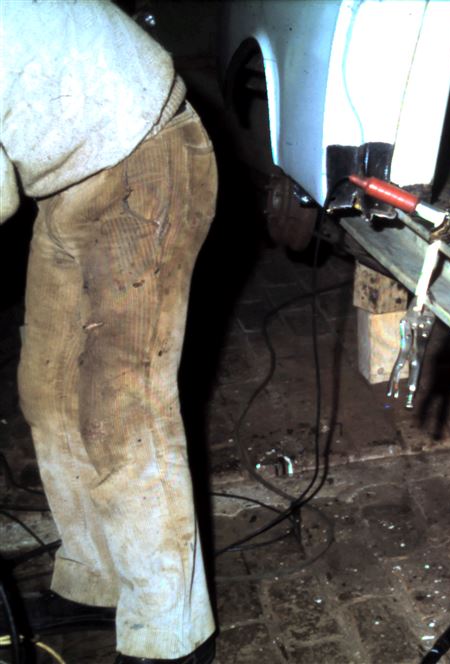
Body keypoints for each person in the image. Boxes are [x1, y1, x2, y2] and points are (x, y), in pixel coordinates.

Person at [0, 2, 217, 662]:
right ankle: (98, 579)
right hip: (70, 174)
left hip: (146, 154)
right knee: (48, 390)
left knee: (121, 409)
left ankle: (171, 633)